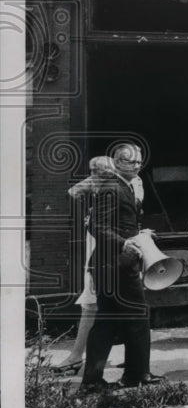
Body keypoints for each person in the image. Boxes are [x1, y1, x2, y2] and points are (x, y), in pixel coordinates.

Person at [79, 145, 165, 392]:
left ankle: (93, 381)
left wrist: (138, 234)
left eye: (139, 162)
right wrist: (125, 242)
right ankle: (137, 375)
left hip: (111, 265)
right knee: (138, 316)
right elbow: (96, 226)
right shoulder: (111, 188)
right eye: (131, 162)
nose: (137, 166)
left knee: (106, 321)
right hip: (116, 265)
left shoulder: (121, 186)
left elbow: (117, 224)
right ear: (117, 162)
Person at [53, 156, 119, 375]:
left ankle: (76, 357)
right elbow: (73, 192)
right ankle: (134, 358)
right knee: (105, 303)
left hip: (107, 251)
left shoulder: (119, 188)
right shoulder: (108, 187)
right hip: (102, 249)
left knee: (94, 304)